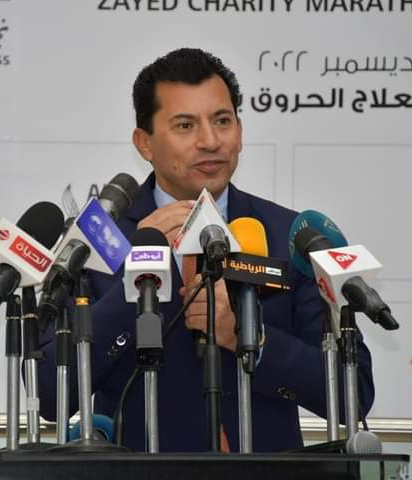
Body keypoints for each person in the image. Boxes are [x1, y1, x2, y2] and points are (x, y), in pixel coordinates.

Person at [37, 47, 374, 452]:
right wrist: (137, 279)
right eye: (185, 125)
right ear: (144, 143)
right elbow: (48, 393)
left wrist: (250, 337)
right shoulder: (99, 241)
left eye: (222, 121)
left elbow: (354, 394)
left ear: (240, 131)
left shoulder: (288, 235)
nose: (211, 141)